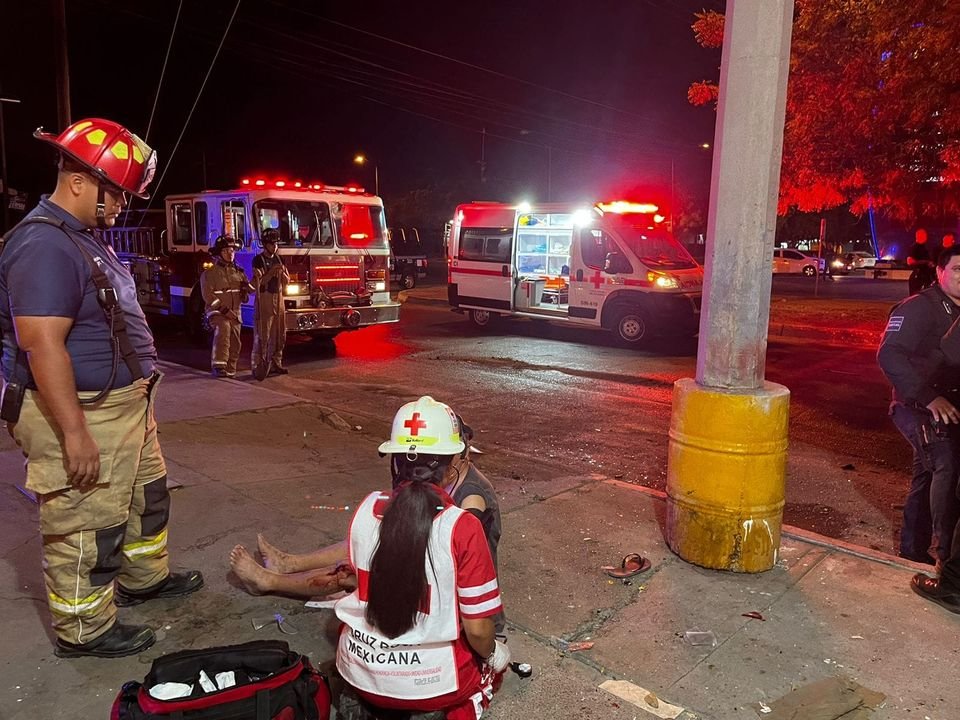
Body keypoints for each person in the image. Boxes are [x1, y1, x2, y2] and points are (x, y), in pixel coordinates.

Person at [0, 118, 203, 659]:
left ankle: (142, 580)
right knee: (88, 522)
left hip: (125, 407)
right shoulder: (43, 245)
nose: (122, 207)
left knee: (144, 498)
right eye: (117, 193)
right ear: (79, 181)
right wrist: (75, 434)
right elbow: (42, 346)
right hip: (85, 412)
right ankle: (83, 628)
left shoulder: (81, 238)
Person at [229, 397, 505, 631]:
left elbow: (449, 563)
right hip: (427, 577)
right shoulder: (433, 479)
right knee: (364, 549)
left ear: (460, 455)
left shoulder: (471, 497)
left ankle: (271, 580)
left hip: (447, 598)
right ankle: (288, 564)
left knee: (350, 573)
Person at [334, 396, 508, 720]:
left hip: (358, 670)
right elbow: (479, 631)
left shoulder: (365, 509)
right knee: (493, 669)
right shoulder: (462, 526)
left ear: (395, 461)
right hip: (431, 684)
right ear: (452, 461)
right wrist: (496, 654)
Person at [878, 244, 960, 571]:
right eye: (957, 269)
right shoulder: (919, 308)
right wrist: (928, 397)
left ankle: (912, 550)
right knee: (946, 462)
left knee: (926, 475)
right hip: (914, 404)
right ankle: (946, 559)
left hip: (948, 403)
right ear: (940, 272)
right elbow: (889, 355)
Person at [201, 235, 250, 378]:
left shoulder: (239, 272)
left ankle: (230, 370)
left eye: (232, 250)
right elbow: (209, 297)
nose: (230, 253)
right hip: (217, 313)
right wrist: (224, 310)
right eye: (226, 251)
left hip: (235, 312)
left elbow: (246, 294)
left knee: (236, 342)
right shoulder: (209, 274)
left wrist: (247, 290)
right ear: (219, 254)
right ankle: (218, 366)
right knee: (223, 331)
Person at [251, 228, 289, 380]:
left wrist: (284, 274)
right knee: (263, 334)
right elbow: (259, 283)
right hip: (265, 298)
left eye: (276, 244)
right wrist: (272, 272)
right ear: (265, 245)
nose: (275, 247)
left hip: (279, 298)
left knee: (279, 333)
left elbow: (287, 281)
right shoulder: (258, 260)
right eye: (272, 244)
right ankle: (259, 365)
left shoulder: (279, 259)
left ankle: (276, 363)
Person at [907, 228, 936, 295]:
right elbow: (910, 262)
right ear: (919, 236)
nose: (926, 237)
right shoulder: (914, 247)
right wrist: (926, 262)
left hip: (926, 276)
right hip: (918, 276)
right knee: (916, 296)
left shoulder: (924, 248)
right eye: (924, 235)